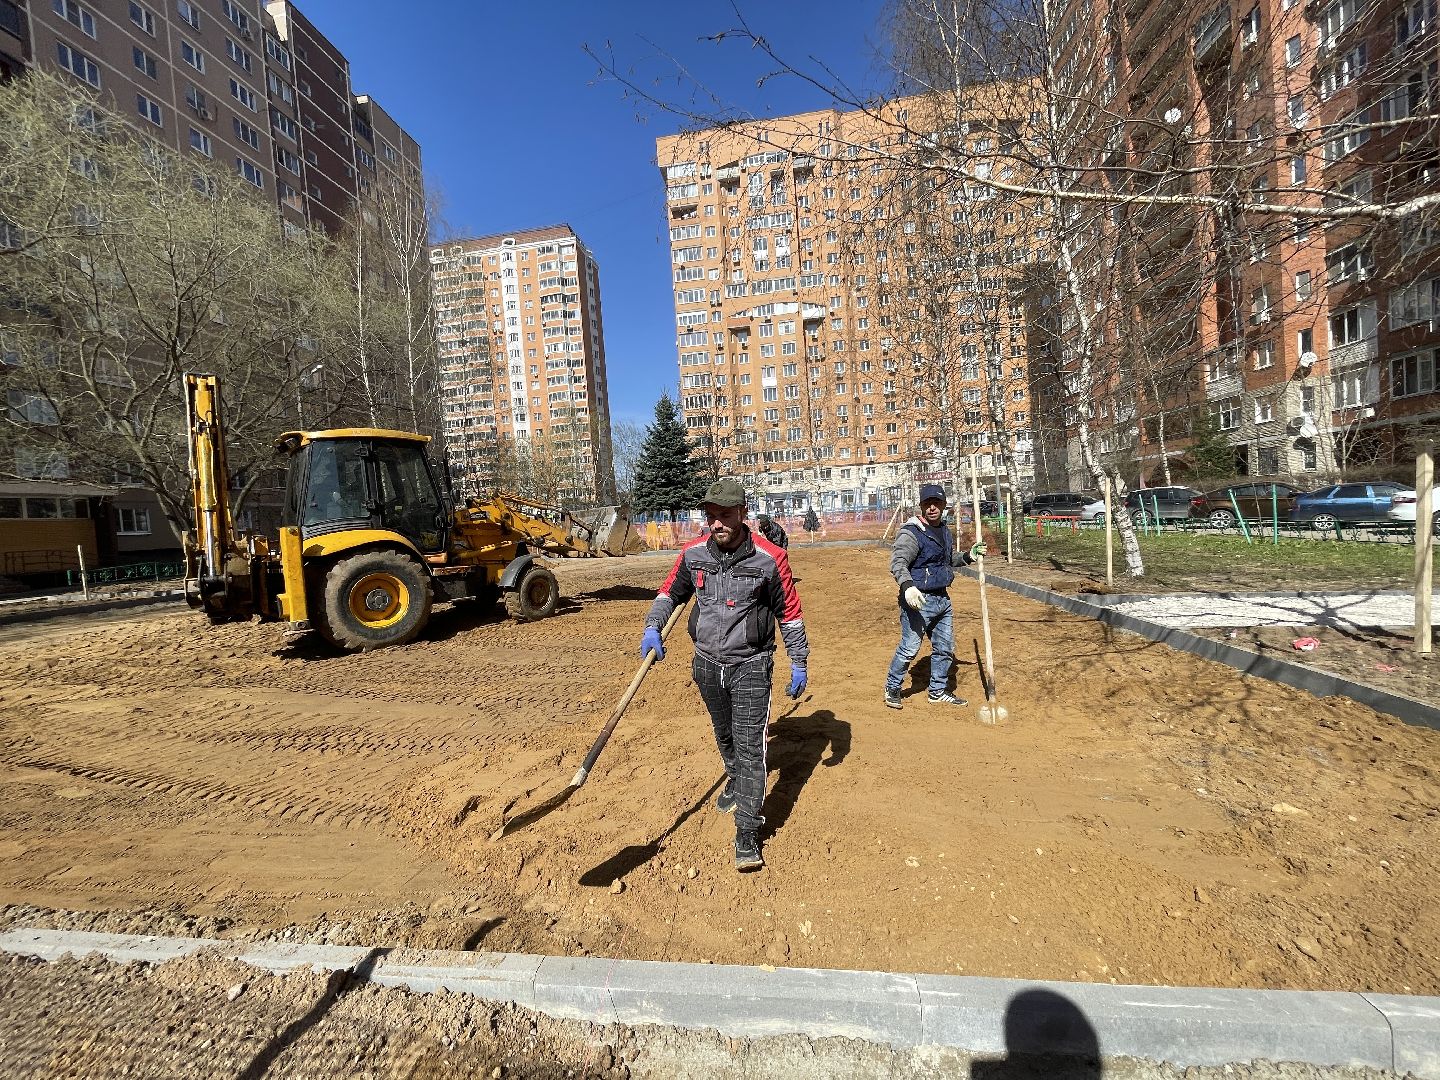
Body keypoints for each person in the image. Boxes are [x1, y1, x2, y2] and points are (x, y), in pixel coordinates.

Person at [641, 478, 810, 871]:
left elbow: (789, 613)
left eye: (725, 515)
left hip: (751, 664)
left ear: (743, 513)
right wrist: (653, 625)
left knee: (751, 748)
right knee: (725, 734)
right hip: (706, 663)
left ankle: (747, 830)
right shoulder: (693, 554)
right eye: (711, 516)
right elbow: (669, 593)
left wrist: (799, 660)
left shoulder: (770, 559)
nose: (717, 523)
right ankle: (733, 776)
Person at [884, 483, 986, 710]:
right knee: (910, 648)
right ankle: (892, 687)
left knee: (945, 648)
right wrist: (908, 587)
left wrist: (968, 556)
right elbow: (898, 562)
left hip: (942, 599)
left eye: (936, 503)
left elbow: (946, 560)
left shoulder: (944, 531)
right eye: (927, 503)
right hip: (918, 600)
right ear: (921, 506)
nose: (932, 508)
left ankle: (937, 691)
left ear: (944, 505)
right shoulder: (912, 532)